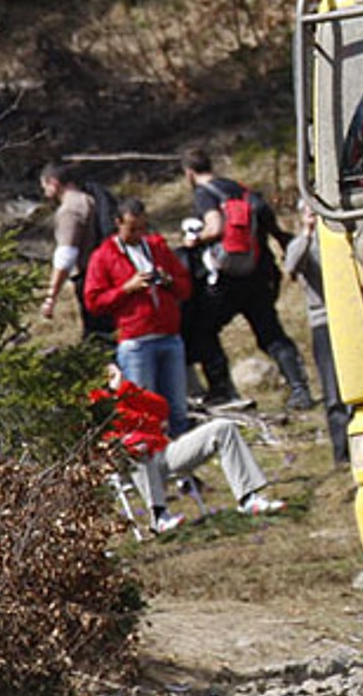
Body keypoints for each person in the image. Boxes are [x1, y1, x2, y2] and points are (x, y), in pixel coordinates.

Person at [180, 148, 315, 411]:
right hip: (258, 276)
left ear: (189, 173)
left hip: (224, 280)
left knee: (205, 331)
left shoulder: (204, 193)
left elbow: (215, 226)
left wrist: (194, 239)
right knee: (271, 333)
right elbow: (271, 226)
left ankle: (222, 390)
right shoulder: (240, 189)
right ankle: (300, 388)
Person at [92, 363, 284, 528]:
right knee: (136, 448)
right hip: (132, 464)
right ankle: (159, 516)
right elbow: (116, 429)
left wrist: (124, 389)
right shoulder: (93, 402)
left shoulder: (124, 392)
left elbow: (161, 409)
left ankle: (248, 498)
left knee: (223, 427)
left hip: (163, 452)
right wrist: (115, 401)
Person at [83, 197, 194, 439]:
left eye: (142, 228)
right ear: (117, 223)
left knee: (177, 410)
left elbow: (185, 287)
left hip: (169, 337)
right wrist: (126, 289)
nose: (138, 234)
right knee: (142, 411)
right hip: (136, 343)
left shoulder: (157, 248)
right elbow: (93, 301)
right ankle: (150, 467)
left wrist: (168, 281)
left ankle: (184, 470)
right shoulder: (103, 256)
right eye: (132, 229)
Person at [282, 201, 352, 467]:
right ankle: (341, 452)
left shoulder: (339, 237)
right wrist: (308, 232)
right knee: (332, 389)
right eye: (308, 211)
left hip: (350, 317)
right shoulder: (301, 244)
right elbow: (291, 267)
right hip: (323, 321)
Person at [38, 164, 114, 340]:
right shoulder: (91, 199)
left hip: (90, 279)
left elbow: (66, 255)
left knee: (98, 336)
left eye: (45, 186)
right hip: (109, 273)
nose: (44, 192)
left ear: (54, 183)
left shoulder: (69, 210)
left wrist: (51, 297)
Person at [176, 215, 239, 406]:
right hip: (189, 313)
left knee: (210, 352)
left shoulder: (212, 253)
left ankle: (222, 391)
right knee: (191, 354)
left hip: (205, 311)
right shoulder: (181, 255)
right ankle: (196, 393)